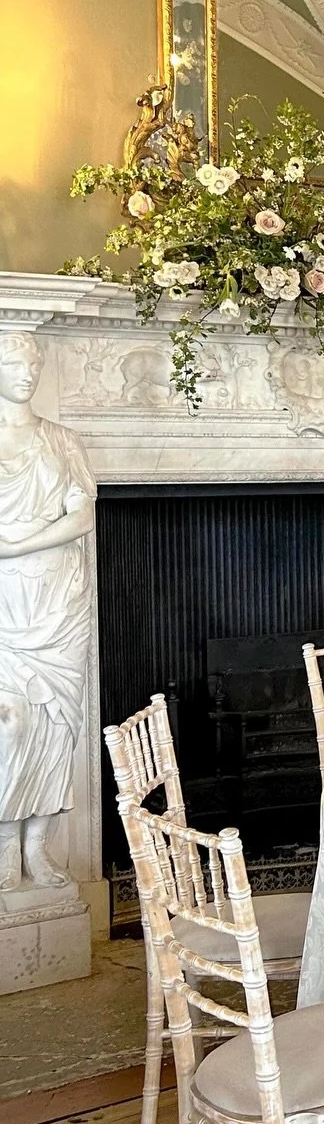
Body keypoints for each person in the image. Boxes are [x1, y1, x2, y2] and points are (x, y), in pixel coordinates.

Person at [0, 331, 95, 891]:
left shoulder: (63, 441)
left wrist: (12, 545)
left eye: (32, 364)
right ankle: (5, 847)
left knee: (58, 727)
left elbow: (81, 519)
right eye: (13, 363)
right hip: (7, 606)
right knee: (9, 724)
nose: (26, 373)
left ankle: (37, 848)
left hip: (59, 602)